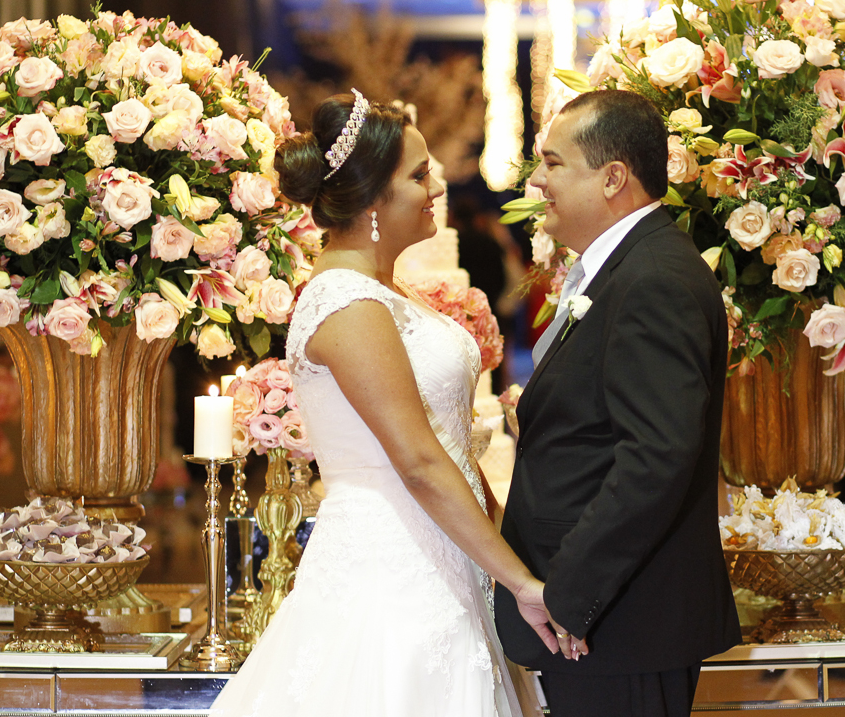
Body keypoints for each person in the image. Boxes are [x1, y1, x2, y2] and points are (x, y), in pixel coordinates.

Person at [210, 90, 561, 717]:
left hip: (447, 561)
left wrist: (507, 547)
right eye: (418, 175)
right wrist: (521, 581)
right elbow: (420, 460)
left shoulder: (382, 291)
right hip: (389, 578)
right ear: (374, 197)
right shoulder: (346, 302)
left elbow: (448, 443)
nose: (438, 185)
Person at [493, 89, 741, 717]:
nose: (537, 179)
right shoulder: (624, 267)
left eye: (553, 164)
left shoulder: (652, 277)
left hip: (617, 623)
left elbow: (657, 456)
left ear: (612, 177)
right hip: (604, 627)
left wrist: (569, 594)